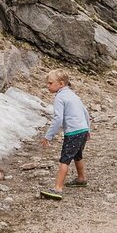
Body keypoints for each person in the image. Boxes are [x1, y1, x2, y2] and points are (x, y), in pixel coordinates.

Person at [39, 69, 91, 200]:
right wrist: (87, 129)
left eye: (50, 83)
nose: (48, 86)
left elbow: (58, 118)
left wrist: (48, 136)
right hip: (83, 129)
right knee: (77, 155)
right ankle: (81, 178)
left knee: (65, 159)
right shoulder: (73, 95)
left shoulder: (60, 97)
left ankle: (57, 188)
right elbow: (85, 112)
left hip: (73, 132)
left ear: (61, 84)